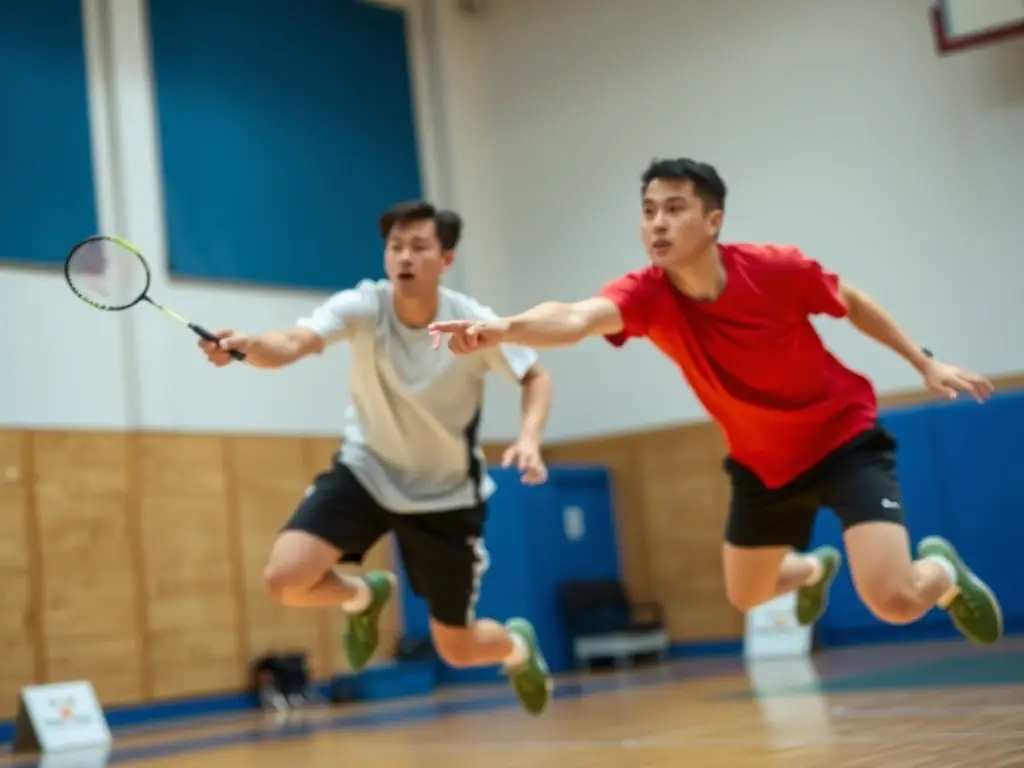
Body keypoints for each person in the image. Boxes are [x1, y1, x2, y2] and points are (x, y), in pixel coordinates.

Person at [428, 158, 1003, 646]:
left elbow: (850, 300)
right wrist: (504, 327)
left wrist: (924, 362)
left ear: (713, 220)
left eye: (674, 208)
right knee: (747, 594)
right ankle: (812, 570)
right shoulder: (645, 294)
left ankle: (944, 574)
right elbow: (575, 318)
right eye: (649, 209)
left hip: (842, 439)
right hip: (763, 465)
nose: (657, 222)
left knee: (896, 601)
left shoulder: (775, 269)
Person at [199, 201, 555, 715]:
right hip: (367, 470)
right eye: (395, 246)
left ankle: (518, 647)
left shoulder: (474, 322)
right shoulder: (364, 306)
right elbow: (296, 341)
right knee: (285, 580)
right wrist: (248, 344)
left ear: (446, 258)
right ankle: (365, 596)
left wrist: (529, 436)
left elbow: (534, 375)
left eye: (419, 246)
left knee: (457, 649)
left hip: (444, 495)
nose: (404, 257)